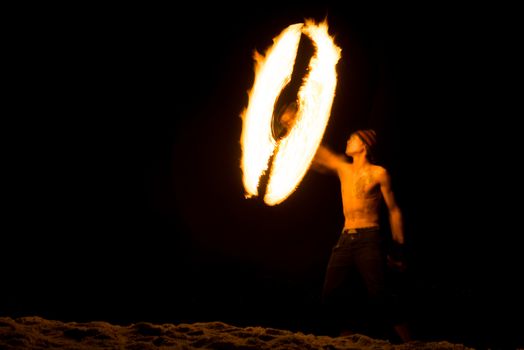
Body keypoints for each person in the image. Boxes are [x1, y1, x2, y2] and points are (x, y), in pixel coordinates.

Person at [312, 129, 412, 343]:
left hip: (369, 238)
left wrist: (399, 247)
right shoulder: (343, 169)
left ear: (364, 145)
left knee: (379, 294)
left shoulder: (379, 173)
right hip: (345, 239)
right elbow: (319, 154)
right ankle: (344, 334)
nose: (347, 140)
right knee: (330, 292)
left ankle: (410, 342)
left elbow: (394, 210)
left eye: (352, 138)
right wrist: (294, 125)